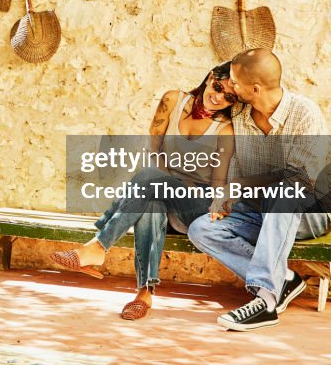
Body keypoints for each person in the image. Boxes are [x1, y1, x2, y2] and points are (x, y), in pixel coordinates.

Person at [50, 63, 238, 320]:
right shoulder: (172, 101)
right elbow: (153, 149)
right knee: (151, 203)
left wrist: (218, 203)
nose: (219, 98)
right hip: (158, 191)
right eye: (217, 87)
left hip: (194, 205)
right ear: (210, 78)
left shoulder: (224, 129)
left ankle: (98, 245)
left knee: (150, 179)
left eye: (229, 97)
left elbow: (218, 181)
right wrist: (165, 182)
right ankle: (144, 294)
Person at [188, 48, 330, 331]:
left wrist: (239, 185)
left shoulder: (305, 114)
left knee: (283, 191)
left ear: (254, 88)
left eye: (235, 82)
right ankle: (283, 280)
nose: (231, 86)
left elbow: (299, 179)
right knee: (202, 229)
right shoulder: (240, 111)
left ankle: (266, 301)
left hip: (305, 215)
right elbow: (207, 102)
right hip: (258, 213)